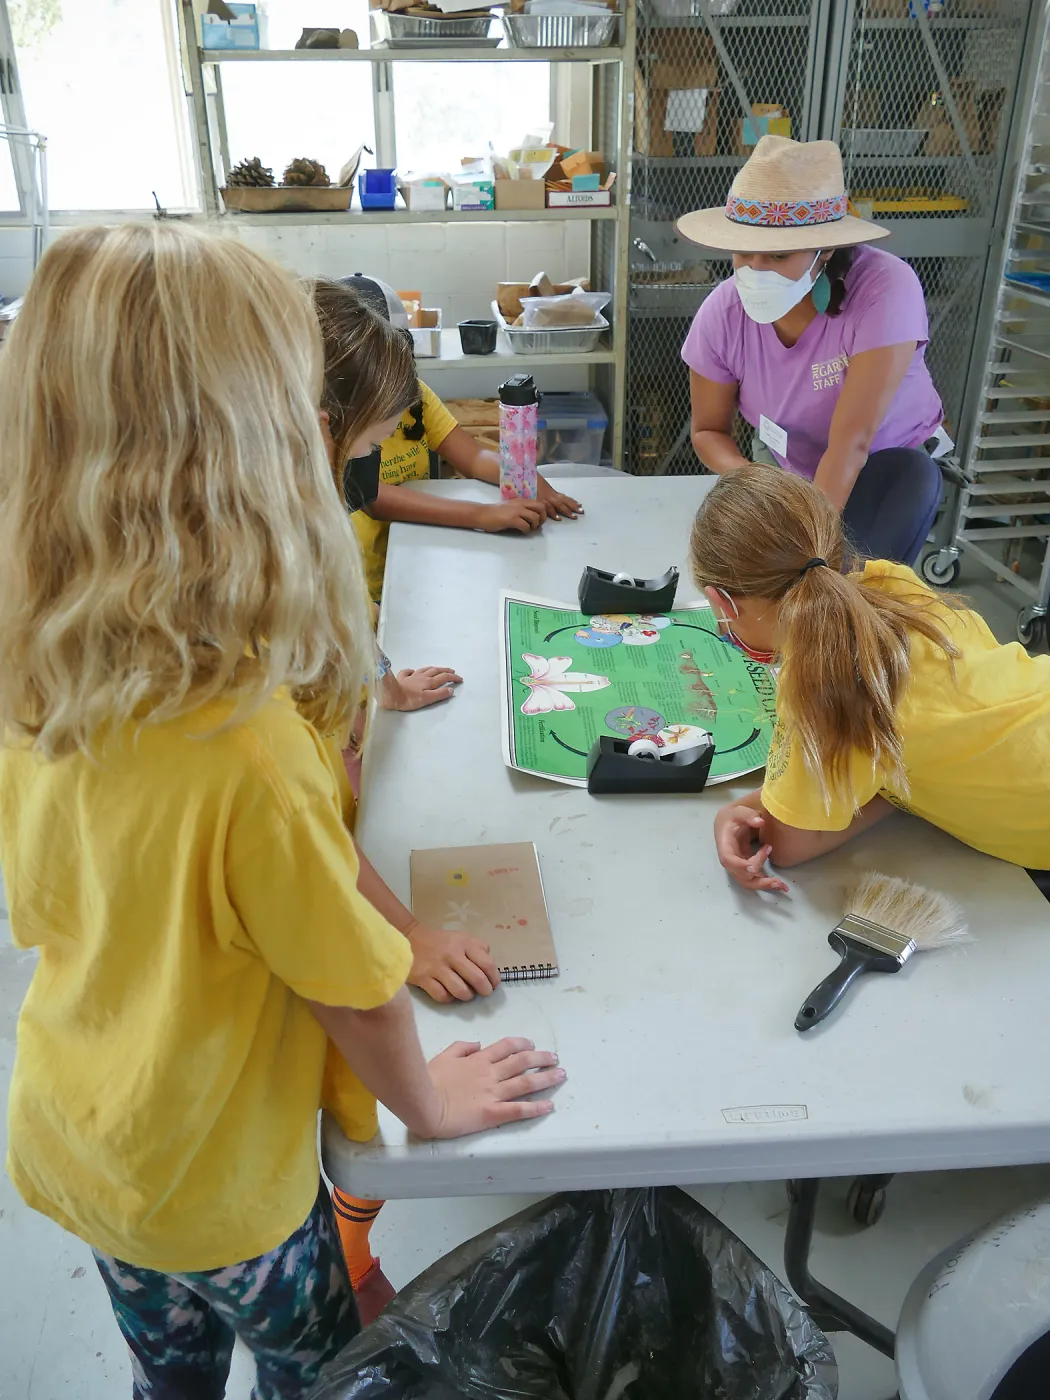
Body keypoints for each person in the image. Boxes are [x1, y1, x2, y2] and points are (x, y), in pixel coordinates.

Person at [0, 223, 564, 1400]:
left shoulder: (39, 673)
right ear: (272, 452)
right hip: (227, 1188)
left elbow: (51, 904)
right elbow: (350, 985)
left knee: (171, 1375)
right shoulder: (249, 744)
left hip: (85, 1144)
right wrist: (427, 1102)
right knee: (313, 1374)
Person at [311, 278, 505, 1317]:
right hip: (220, 1171)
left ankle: (349, 1216)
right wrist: (411, 937)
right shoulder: (264, 615)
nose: (370, 466)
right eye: (371, 442)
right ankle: (343, 1247)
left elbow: (339, 616)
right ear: (321, 427)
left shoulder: (299, 548)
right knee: (310, 1344)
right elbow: (298, 854)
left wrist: (378, 684)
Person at [688, 467, 1050, 893]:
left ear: (720, 603)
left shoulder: (823, 681)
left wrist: (739, 811)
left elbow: (787, 844)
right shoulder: (892, 582)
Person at [679, 136, 947, 566]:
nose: (755, 270)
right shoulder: (724, 313)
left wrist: (809, 547)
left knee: (850, 585)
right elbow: (708, 432)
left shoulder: (884, 289)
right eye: (743, 252)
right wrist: (755, 482)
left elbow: (851, 445)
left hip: (887, 466)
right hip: (789, 466)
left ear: (825, 252)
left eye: (778, 255)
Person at [340, 275, 583, 603]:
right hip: (363, 584)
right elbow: (372, 498)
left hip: (417, 559)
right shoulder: (339, 418)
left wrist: (523, 477)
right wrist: (480, 515)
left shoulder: (417, 397)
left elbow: (473, 457)